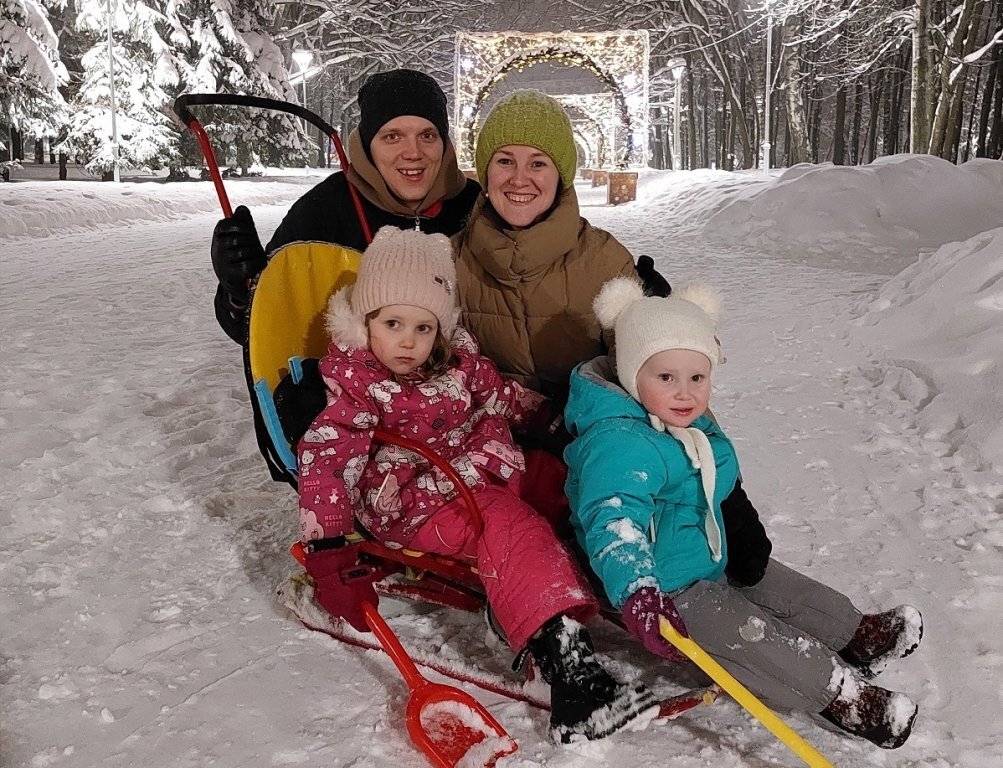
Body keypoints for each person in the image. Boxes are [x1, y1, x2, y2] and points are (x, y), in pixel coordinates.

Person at [296, 226, 660, 744]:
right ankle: (567, 665)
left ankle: (640, 566)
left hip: (486, 464)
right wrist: (329, 547)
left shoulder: (457, 359)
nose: (408, 341)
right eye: (392, 323)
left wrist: (551, 422)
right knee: (513, 529)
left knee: (569, 486)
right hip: (418, 499)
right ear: (365, 320)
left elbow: (500, 396)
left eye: (423, 327)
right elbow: (328, 458)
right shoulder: (357, 384)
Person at [563, 276, 924, 750]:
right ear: (632, 375)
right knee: (751, 634)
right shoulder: (618, 441)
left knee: (775, 581)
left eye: (697, 378)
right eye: (666, 378)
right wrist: (639, 592)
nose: (685, 393)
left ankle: (855, 633)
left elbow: (722, 478)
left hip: (702, 553)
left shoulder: (688, 422)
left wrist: (740, 526)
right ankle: (841, 694)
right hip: (661, 586)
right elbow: (615, 523)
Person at [210, 68, 481, 344]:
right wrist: (239, 293)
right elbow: (262, 332)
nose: (413, 152)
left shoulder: (476, 207)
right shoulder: (325, 208)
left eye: (427, 136)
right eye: (392, 136)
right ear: (368, 146)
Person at [453, 89, 668, 408]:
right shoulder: (450, 260)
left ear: (560, 176)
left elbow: (654, 376)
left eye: (538, 163)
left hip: (584, 432)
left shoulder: (604, 259)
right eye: (505, 161)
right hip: (481, 433)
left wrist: (666, 328)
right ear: (486, 171)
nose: (519, 179)